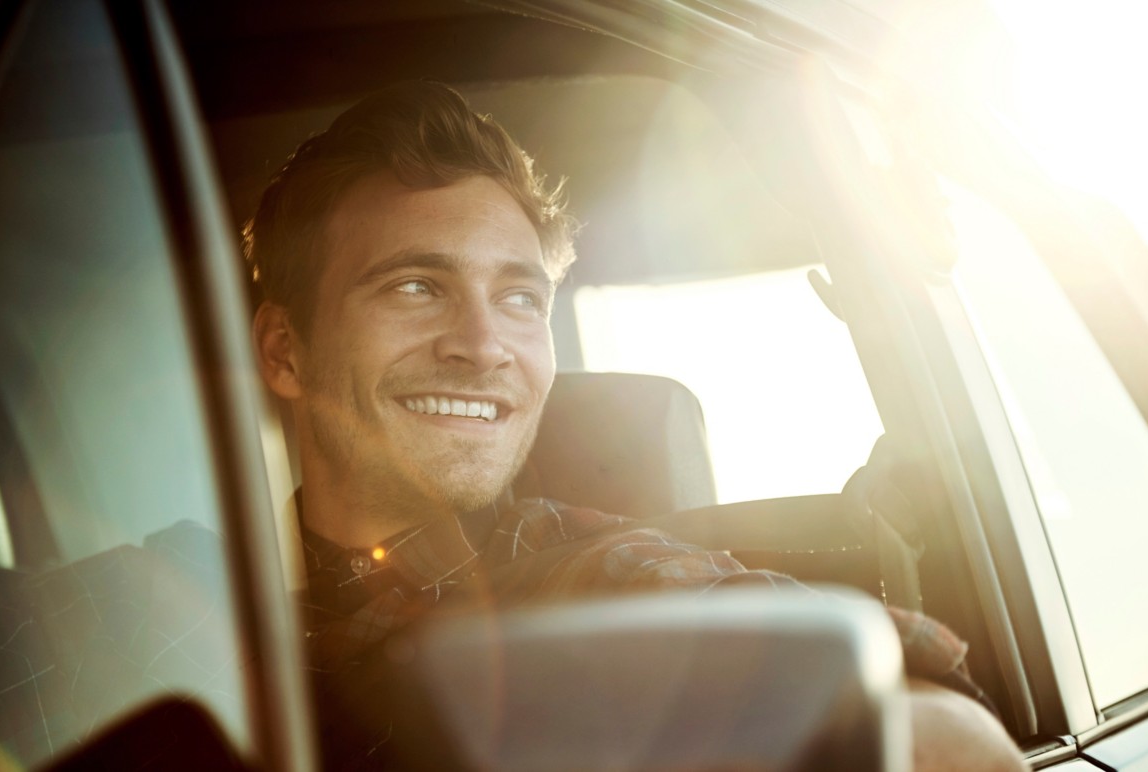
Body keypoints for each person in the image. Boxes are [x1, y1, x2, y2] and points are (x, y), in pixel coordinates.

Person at [245, 81, 1026, 770]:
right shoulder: (164, 603)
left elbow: (956, 744)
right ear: (285, 352)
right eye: (416, 286)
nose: (484, 347)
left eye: (520, 299)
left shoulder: (598, 579)